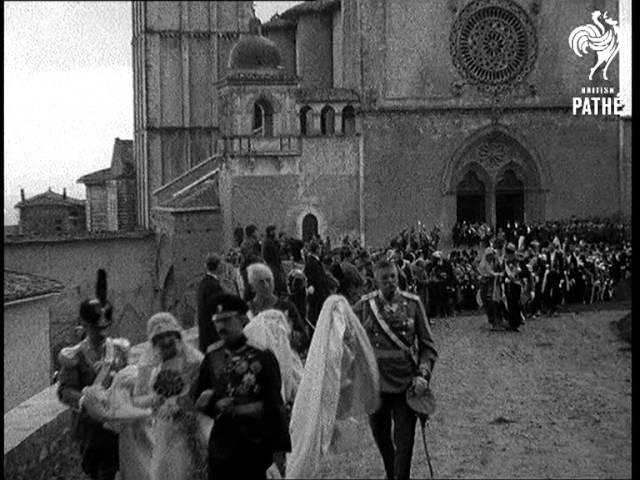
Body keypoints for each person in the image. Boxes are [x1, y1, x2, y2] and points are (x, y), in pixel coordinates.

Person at [353, 259, 438, 480]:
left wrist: (423, 375)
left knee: (404, 441)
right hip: (376, 386)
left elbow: (428, 348)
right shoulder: (364, 306)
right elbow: (347, 334)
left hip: (406, 385)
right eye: (385, 278)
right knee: (381, 438)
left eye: (393, 276)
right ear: (376, 281)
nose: (390, 281)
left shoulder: (413, 303)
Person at [191, 294, 291, 480]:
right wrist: (212, 403)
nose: (221, 327)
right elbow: (201, 396)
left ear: (242, 319)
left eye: (227, 320)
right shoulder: (213, 356)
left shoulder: (262, 356)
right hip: (222, 444)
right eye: (217, 321)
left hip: (253, 442)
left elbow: (274, 402)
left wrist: (245, 409)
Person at [287, 295, 380, 478]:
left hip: (344, 396)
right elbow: (336, 369)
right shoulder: (332, 348)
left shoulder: (344, 343)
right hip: (335, 396)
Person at [57, 270, 129, 480]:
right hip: (89, 429)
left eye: (106, 327)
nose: (103, 333)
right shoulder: (75, 356)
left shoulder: (119, 350)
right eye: (98, 329)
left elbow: (128, 381)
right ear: (86, 326)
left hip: (115, 426)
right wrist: (85, 400)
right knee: (93, 471)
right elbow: (64, 391)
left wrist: (118, 378)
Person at [133, 312, 207, 480]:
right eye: (160, 337)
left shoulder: (194, 360)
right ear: (154, 340)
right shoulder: (148, 365)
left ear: (177, 335)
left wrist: (181, 403)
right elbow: (137, 399)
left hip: (194, 423)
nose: (166, 341)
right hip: (164, 427)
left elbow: (204, 390)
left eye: (169, 335)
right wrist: (154, 399)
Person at [247, 262, 309, 355]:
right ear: (252, 287)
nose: (266, 285)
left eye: (269, 280)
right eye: (261, 282)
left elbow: (303, 337)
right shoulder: (248, 311)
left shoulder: (287, 306)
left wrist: (295, 337)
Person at [197, 254, 225, 353]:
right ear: (217, 265)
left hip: (205, 334)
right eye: (221, 263)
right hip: (213, 336)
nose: (223, 266)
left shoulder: (203, 283)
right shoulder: (213, 286)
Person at [304, 240, 331, 328]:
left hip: (316, 292)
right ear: (316, 249)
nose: (321, 250)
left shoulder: (312, 261)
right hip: (318, 294)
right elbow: (318, 279)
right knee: (316, 315)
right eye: (319, 248)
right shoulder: (313, 262)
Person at [478, 247, 504, 329]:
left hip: (494, 284)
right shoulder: (483, 264)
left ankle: (498, 321)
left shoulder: (495, 262)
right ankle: (492, 321)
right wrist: (497, 274)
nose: (491, 257)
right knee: (487, 303)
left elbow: (499, 268)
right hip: (486, 284)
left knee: (495, 302)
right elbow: (490, 273)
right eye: (489, 255)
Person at [262, 225, 287, 297]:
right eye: (274, 231)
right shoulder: (268, 242)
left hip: (274, 264)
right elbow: (275, 253)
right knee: (276, 282)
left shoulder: (270, 241)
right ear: (270, 232)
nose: (275, 233)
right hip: (272, 265)